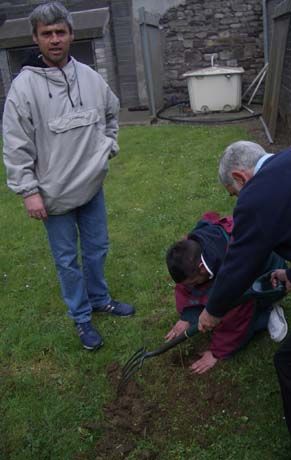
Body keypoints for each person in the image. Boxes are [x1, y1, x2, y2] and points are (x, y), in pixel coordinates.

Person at [198, 140, 291, 460]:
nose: (239, 200)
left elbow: (241, 263)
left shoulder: (258, 194)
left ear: (240, 177)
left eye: (234, 193)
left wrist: (213, 310)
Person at [2, 1, 135, 351]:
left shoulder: (90, 77)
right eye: (47, 34)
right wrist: (29, 191)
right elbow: (15, 145)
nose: (55, 39)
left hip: (91, 188)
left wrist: (108, 146)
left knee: (97, 249)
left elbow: (110, 112)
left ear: (72, 35)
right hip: (53, 195)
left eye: (61, 32)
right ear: (36, 38)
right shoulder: (24, 89)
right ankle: (82, 319)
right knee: (67, 261)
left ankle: (100, 299)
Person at [165, 211, 288, 374]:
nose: (191, 286)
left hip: (270, 277)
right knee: (211, 296)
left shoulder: (233, 267)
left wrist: (217, 352)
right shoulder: (190, 253)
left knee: (246, 315)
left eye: (193, 282)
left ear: (202, 268)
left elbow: (237, 316)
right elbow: (187, 287)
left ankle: (268, 311)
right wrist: (189, 316)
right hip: (233, 272)